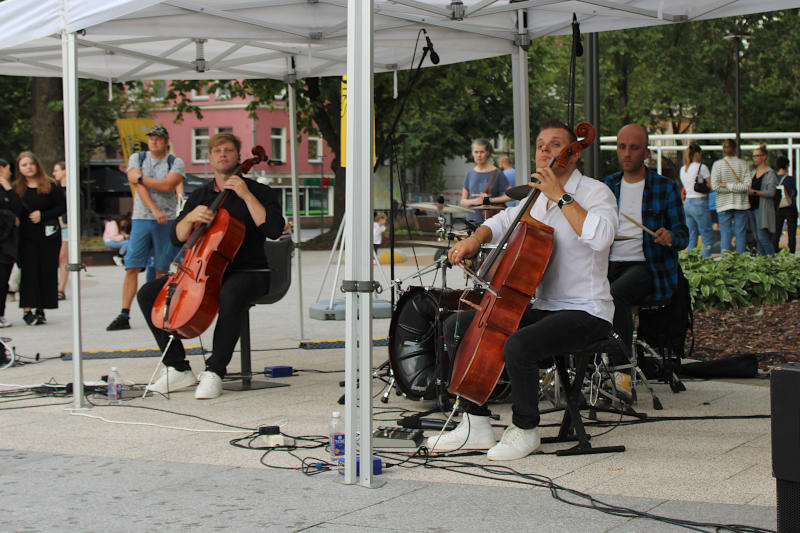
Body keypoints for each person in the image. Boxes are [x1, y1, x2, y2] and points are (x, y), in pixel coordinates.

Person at [428, 119, 618, 460]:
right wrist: (474, 239)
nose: (544, 149)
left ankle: (526, 429)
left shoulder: (595, 192)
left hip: (587, 310)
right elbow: (502, 220)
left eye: (555, 144)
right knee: (456, 326)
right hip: (546, 305)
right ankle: (475, 422)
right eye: (541, 143)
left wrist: (560, 196)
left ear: (572, 155)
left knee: (519, 344)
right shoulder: (535, 198)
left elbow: (602, 236)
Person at [137, 132, 284, 399]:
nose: (222, 155)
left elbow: (274, 229)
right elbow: (176, 237)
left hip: (250, 271)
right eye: (217, 151)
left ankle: (215, 371)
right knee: (148, 294)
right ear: (210, 158)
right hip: (203, 271)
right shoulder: (201, 194)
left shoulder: (260, 191)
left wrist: (246, 195)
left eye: (228, 150)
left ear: (239, 157)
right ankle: (177, 368)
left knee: (231, 293)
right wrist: (191, 217)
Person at [603, 124, 688, 395]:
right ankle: (587, 371)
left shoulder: (665, 188)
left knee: (615, 296)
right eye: (622, 146)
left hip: (647, 267)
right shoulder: (608, 186)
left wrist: (670, 237)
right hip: (610, 262)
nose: (627, 153)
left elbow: (683, 236)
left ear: (647, 153)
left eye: (634, 147)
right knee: (580, 291)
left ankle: (622, 376)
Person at [107, 125, 184, 331]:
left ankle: (159, 311)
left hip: (166, 219)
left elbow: (168, 185)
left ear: (166, 141)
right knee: (132, 266)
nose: (154, 141)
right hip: (142, 218)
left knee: (161, 268)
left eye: (158, 138)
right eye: (151, 138)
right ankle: (124, 313)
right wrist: (153, 207)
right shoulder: (137, 158)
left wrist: (141, 178)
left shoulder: (175, 162)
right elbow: (138, 187)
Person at [14, 152, 66, 325]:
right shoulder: (16, 188)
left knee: (46, 270)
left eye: (31, 164)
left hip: (47, 236)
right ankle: (27, 309)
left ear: (37, 165)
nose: (28, 167)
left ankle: (41, 308)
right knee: (28, 272)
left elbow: (61, 206)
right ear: (19, 169)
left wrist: (42, 215)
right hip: (26, 237)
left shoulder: (50, 185)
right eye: (24, 165)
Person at [710, 139, 750, 253]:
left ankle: (726, 262)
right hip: (741, 203)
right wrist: (736, 186)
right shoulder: (743, 164)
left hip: (723, 203)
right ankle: (741, 260)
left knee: (725, 234)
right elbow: (746, 186)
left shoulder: (717, 165)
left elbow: (715, 186)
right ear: (736, 149)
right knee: (740, 234)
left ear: (723, 150)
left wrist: (726, 185)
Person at [460, 139, 512, 224]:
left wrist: (490, 200)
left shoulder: (497, 173)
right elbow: (463, 201)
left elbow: (511, 196)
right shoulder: (469, 174)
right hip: (471, 221)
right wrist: (474, 201)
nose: (479, 155)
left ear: (487, 153)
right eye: (476, 152)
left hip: (492, 221)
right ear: (472, 153)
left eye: (482, 152)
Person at [679, 143, 713, 258]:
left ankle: (689, 262)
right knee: (706, 234)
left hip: (687, 203)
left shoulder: (683, 169)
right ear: (698, 154)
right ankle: (705, 262)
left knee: (691, 236)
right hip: (699, 202)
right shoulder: (702, 167)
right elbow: (710, 185)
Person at [0, 159, 22, 327]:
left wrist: (7, 188)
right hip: (4, 239)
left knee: (3, 278)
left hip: (6, 244)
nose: (10, 173)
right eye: (8, 170)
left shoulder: (7, 189)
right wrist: (10, 217)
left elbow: (18, 208)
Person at [747, 145, 777, 256]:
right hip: (751, 208)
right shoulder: (753, 173)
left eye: (757, 156)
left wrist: (754, 192)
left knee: (762, 237)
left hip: (762, 209)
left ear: (764, 157)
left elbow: (771, 192)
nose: (755, 158)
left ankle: (772, 260)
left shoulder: (770, 173)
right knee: (757, 238)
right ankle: (763, 261)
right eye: (754, 156)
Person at [52, 161, 69, 300]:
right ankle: (57, 286)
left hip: (67, 227)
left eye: (56, 170)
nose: (54, 173)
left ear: (65, 171)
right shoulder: (56, 189)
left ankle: (61, 288)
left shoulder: (73, 189)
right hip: (57, 227)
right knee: (59, 257)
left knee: (63, 257)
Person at [773, 155, 797, 254]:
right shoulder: (790, 179)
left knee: (777, 230)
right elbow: (794, 192)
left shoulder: (774, 178)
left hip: (778, 207)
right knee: (791, 232)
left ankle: (775, 249)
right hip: (790, 208)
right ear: (787, 165)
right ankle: (791, 251)